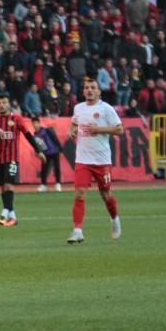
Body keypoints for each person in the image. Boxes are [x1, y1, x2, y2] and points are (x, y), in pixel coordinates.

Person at [67, 77, 123, 244]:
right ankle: (77, 231)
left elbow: (119, 129)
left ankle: (114, 219)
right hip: (82, 159)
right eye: (86, 88)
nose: (89, 90)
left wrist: (99, 129)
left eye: (93, 87)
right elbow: (74, 123)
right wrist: (71, 130)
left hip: (102, 160)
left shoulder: (106, 109)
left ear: (99, 91)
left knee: (105, 194)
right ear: (83, 91)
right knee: (80, 193)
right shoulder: (78, 107)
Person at [0, 94, 46, 226]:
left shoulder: (16, 119)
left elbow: (28, 135)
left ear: (8, 104)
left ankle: (4, 212)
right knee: (3, 187)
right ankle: (13, 217)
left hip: (12, 158)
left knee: (9, 184)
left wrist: (38, 151)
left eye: (4, 102)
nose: (1, 105)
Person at [33, 117, 63, 192]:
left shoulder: (46, 130)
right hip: (45, 154)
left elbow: (54, 138)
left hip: (54, 151)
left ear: (39, 123)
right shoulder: (35, 135)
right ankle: (43, 185)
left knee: (57, 168)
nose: (35, 125)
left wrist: (60, 147)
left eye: (36, 123)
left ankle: (58, 184)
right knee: (44, 169)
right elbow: (37, 145)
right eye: (33, 123)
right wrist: (37, 152)